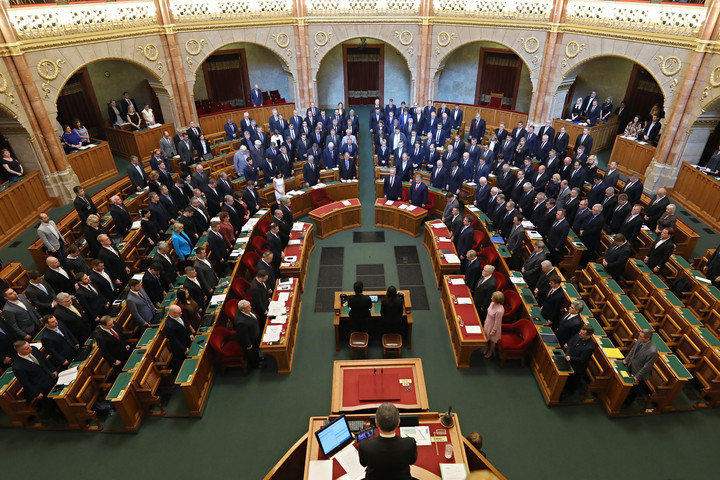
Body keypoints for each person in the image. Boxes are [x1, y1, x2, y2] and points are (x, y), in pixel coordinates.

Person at [358, 402, 417, 480]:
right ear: (398, 422)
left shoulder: (364, 446)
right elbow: (412, 461)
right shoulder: (410, 444)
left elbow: (363, 463)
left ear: (376, 422)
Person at [12, 340, 59, 420]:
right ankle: (55, 418)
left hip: (49, 377)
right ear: (19, 351)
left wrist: (52, 369)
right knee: (49, 404)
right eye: (27, 348)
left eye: (29, 346)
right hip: (41, 387)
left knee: (57, 399)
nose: (30, 349)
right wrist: (36, 393)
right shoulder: (17, 366)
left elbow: (44, 360)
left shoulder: (34, 349)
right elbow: (25, 382)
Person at [622, 329, 658, 408]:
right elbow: (633, 350)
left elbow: (647, 367)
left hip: (640, 373)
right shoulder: (639, 340)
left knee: (634, 391)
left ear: (647, 339)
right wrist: (626, 360)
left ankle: (627, 404)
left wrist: (637, 376)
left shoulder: (652, 351)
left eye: (641, 337)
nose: (638, 337)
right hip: (631, 365)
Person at [563, 325, 595, 396]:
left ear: (588, 336)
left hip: (577, 367)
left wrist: (570, 358)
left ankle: (568, 393)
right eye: (580, 332)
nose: (580, 334)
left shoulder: (589, 347)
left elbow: (582, 359)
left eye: (582, 334)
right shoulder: (579, 334)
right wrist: (568, 354)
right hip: (569, 359)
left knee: (572, 382)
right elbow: (570, 344)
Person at [233, 299, 264, 369]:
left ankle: (258, 358)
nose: (251, 307)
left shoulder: (246, 310)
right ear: (243, 310)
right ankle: (255, 365)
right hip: (249, 340)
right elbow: (243, 335)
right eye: (249, 307)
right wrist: (248, 344)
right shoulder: (241, 322)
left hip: (254, 336)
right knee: (251, 353)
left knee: (256, 349)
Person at [483, 291, 504, 359]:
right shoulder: (492, 303)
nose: (491, 298)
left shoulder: (500, 310)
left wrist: (493, 331)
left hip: (493, 327)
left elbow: (497, 322)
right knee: (487, 339)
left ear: (496, 300)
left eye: (493, 297)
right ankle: (487, 350)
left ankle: (490, 352)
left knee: (492, 341)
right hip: (488, 323)